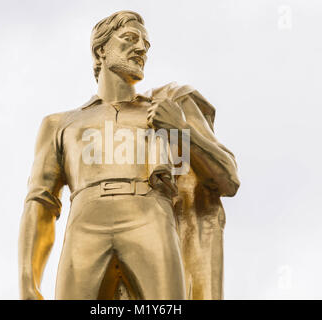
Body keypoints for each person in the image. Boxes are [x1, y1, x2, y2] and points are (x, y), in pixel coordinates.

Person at [18, 10, 239, 300]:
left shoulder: (163, 111)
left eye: (146, 45)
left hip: (150, 220)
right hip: (84, 227)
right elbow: (40, 202)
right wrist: (27, 282)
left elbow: (228, 179)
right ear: (101, 50)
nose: (141, 49)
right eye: (130, 39)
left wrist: (183, 131)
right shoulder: (60, 124)